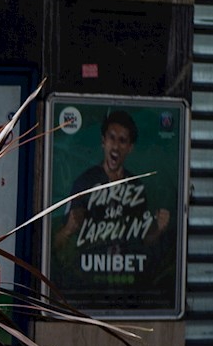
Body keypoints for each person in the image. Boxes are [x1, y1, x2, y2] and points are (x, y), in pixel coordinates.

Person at [53, 109, 172, 289]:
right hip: (89, 282)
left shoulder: (136, 187)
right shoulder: (84, 182)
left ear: (130, 148)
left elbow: (144, 241)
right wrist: (68, 229)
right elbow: (55, 245)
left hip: (125, 283)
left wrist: (159, 229)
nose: (115, 146)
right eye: (112, 138)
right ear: (103, 141)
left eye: (122, 140)